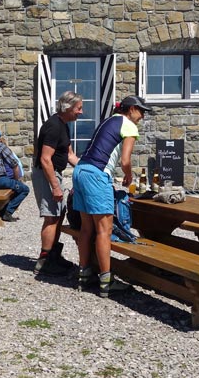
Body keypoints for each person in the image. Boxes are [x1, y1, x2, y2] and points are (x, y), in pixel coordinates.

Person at [72, 95, 153, 297]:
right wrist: (129, 176)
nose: (142, 116)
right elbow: (125, 160)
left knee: (86, 227)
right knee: (104, 230)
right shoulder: (129, 126)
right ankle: (106, 281)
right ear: (132, 109)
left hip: (80, 170)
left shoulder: (108, 120)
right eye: (142, 111)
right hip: (97, 176)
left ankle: (84, 274)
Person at [32, 91, 83, 277]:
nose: (81, 112)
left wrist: (88, 169)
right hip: (47, 173)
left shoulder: (63, 125)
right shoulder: (54, 126)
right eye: (79, 108)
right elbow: (45, 159)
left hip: (54, 172)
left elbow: (70, 155)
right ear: (67, 108)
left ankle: (53, 254)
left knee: (59, 214)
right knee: (52, 216)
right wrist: (55, 186)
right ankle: (45, 261)